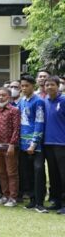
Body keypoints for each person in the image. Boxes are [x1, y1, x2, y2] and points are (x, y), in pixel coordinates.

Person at [17, 74, 47, 212]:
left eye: (26, 86)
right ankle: (32, 199)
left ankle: (40, 202)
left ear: (33, 86)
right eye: (22, 86)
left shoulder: (38, 101)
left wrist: (34, 143)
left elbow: (39, 122)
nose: (23, 88)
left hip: (36, 145)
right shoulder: (21, 101)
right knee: (26, 173)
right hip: (22, 144)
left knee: (38, 172)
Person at [0, 87, 20, 207]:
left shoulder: (14, 110)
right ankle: (5, 195)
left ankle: (13, 198)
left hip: (9, 147)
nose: (1, 97)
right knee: (1, 173)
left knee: (11, 173)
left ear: (9, 97)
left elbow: (16, 129)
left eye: (3, 95)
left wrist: (12, 145)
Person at [42, 76, 65, 214]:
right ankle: (56, 201)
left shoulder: (63, 101)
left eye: (52, 85)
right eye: (47, 85)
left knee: (64, 175)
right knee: (53, 174)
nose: (49, 87)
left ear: (58, 86)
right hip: (48, 143)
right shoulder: (45, 101)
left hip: (62, 144)